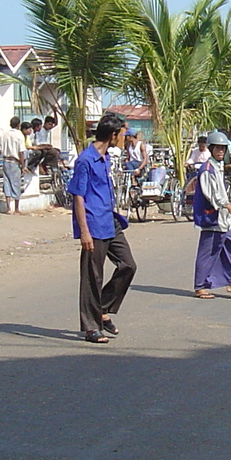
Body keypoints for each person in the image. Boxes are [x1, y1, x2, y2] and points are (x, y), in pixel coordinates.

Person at [69, 111, 136, 345]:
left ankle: (103, 308)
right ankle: (91, 326)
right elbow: (78, 196)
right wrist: (83, 231)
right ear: (113, 134)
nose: (123, 138)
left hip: (110, 221)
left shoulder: (106, 157)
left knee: (128, 265)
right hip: (94, 224)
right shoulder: (85, 160)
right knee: (92, 277)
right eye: (122, 134)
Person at [190, 131, 231, 299]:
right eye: (217, 148)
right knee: (208, 253)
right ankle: (200, 286)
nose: (220, 151)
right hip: (212, 218)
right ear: (211, 149)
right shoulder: (207, 170)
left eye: (223, 149)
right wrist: (228, 206)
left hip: (224, 220)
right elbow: (211, 195)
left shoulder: (218, 167)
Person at [0, 116, 26, 214]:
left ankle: (8, 208)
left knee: (7, 183)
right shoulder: (19, 135)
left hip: (5, 161)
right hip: (15, 161)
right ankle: (17, 208)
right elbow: (21, 152)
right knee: (16, 184)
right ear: (18, 125)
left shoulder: (4, 134)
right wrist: (23, 166)